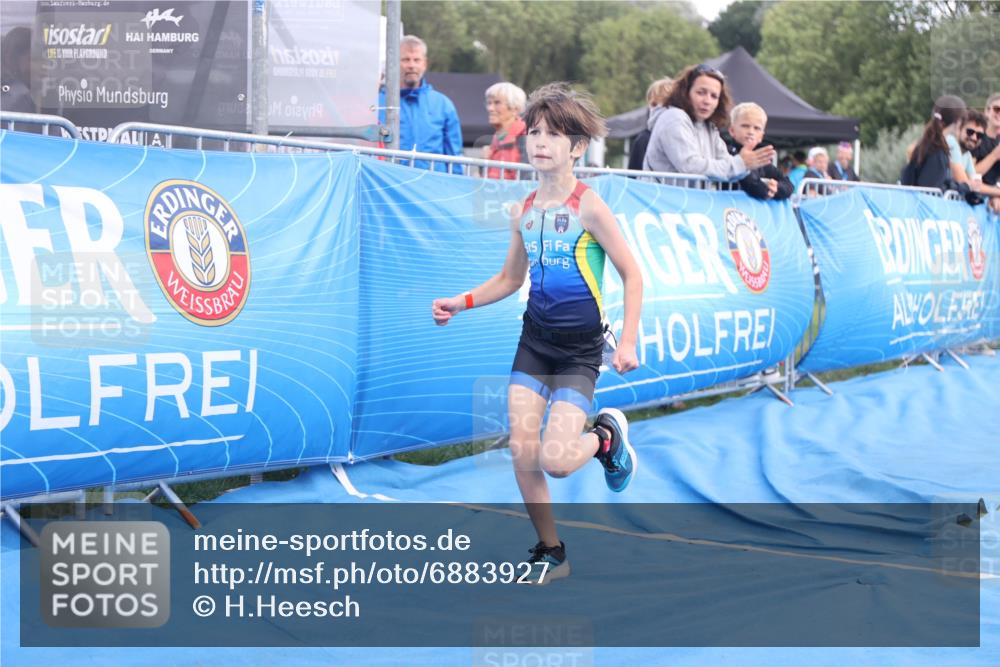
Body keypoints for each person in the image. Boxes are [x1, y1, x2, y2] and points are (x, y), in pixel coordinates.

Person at [431, 83, 642, 584]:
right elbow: (510, 280)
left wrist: (628, 341)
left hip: (579, 353)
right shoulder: (522, 210)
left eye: (556, 134)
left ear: (577, 148)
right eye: (536, 132)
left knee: (558, 462)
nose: (542, 141)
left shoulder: (590, 207)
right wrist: (460, 302)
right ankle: (552, 552)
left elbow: (633, 273)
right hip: (535, 343)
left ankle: (605, 439)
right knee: (523, 452)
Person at [643, 64, 774, 178]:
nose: (707, 101)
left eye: (714, 96)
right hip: (665, 204)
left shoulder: (708, 127)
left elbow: (727, 167)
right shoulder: (673, 117)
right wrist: (741, 163)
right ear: (685, 92)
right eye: (701, 92)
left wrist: (767, 185)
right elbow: (690, 166)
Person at [378, 35, 463, 173]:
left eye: (416, 60)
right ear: (394, 63)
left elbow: (454, 156)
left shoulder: (443, 105)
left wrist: (458, 188)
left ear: (424, 64)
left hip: (432, 188)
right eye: (406, 59)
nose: (412, 65)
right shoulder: (379, 103)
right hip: (389, 186)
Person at [726, 103, 793, 200]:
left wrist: (776, 188)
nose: (751, 132)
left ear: (761, 136)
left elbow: (788, 184)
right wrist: (765, 190)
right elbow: (746, 180)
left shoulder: (761, 159)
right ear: (732, 130)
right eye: (745, 126)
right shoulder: (724, 152)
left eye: (757, 128)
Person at [901, 95, 965, 190]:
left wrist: (960, 187)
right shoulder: (937, 151)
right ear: (957, 122)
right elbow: (931, 188)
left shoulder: (925, 144)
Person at [483, 82, 528, 179]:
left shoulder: (525, 138)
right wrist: (483, 162)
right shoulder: (498, 136)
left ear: (515, 109)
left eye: (497, 103)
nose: (490, 108)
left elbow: (527, 179)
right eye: (489, 103)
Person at [627, 77, 673, 171]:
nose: (657, 109)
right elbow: (633, 175)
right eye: (653, 104)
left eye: (665, 104)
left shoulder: (686, 135)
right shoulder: (643, 139)